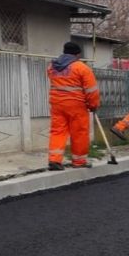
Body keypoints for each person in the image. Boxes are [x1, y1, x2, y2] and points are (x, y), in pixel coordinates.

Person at [47, 41, 100, 170]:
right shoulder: (81, 67)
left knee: (58, 131)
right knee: (79, 132)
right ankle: (79, 161)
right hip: (76, 105)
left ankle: (54, 160)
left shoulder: (52, 66)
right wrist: (93, 105)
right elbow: (91, 90)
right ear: (77, 54)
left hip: (57, 104)